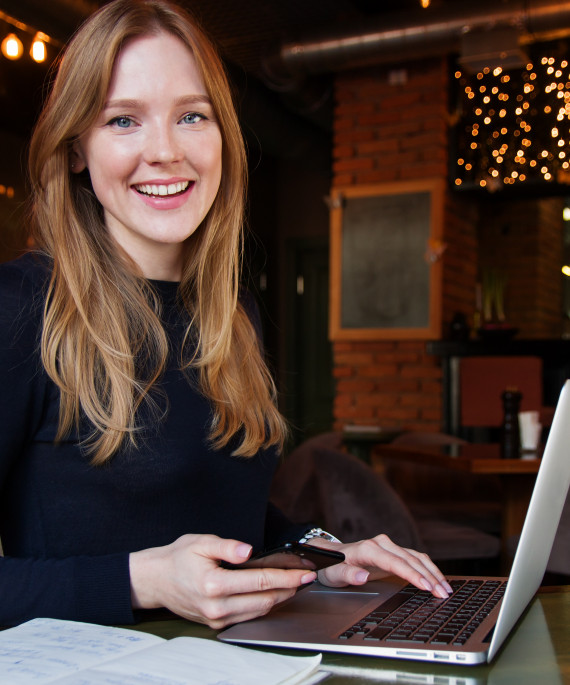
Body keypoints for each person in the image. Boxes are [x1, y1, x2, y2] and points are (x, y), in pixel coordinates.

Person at [0, 0, 452, 629]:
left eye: (191, 116)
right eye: (123, 121)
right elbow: (158, 563)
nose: (165, 151)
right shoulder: (19, 309)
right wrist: (142, 581)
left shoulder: (232, 311)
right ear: (76, 148)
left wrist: (320, 555)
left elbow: (222, 521)